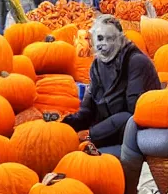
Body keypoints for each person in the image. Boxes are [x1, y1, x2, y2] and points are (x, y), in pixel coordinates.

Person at [62, 15, 161, 156]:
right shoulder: (97, 64)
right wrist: (65, 125)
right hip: (106, 130)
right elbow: (87, 110)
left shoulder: (136, 62)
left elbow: (133, 114)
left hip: (134, 134)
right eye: (100, 39)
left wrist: (90, 134)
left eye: (110, 39)